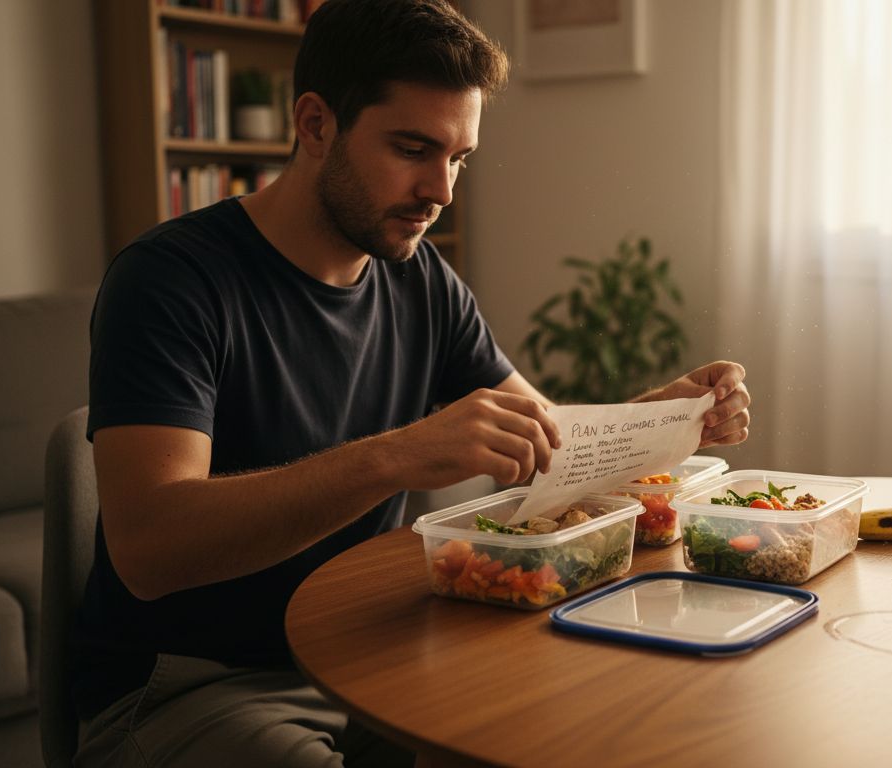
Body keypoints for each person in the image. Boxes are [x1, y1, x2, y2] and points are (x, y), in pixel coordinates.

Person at [72, 1, 750, 766]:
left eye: (459, 157)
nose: (443, 190)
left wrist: (665, 417)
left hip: (369, 650)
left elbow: (550, 444)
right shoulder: (169, 282)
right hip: (192, 687)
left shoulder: (421, 279)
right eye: (412, 148)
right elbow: (151, 549)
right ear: (316, 123)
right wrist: (397, 456)